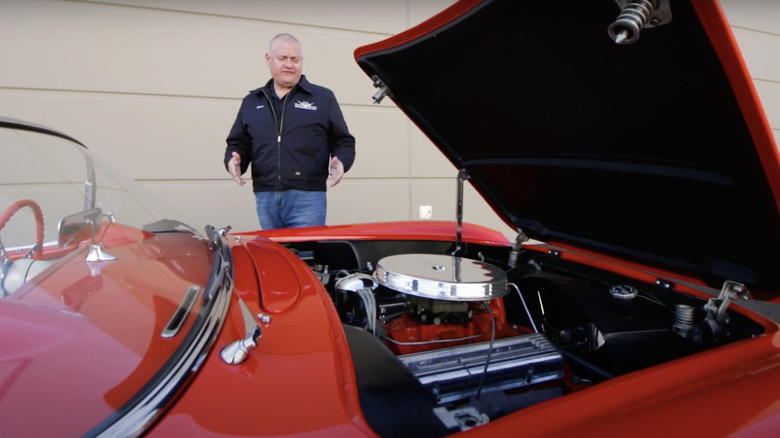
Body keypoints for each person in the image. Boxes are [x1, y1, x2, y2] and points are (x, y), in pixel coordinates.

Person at [224, 33, 355, 229]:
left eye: (295, 59)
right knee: (277, 256)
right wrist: (233, 160)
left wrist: (342, 161)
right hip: (265, 195)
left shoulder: (322, 98)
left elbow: (343, 141)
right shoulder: (252, 101)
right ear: (268, 59)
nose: (289, 64)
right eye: (282, 58)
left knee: (306, 256)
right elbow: (238, 143)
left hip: (308, 196)